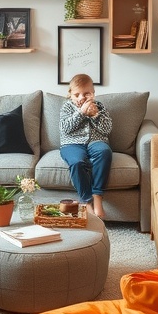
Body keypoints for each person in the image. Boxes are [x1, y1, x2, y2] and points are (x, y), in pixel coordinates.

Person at [59, 73, 113, 218]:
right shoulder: (67, 108)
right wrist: (81, 112)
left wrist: (96, 116)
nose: (81, 98)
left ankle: (97, 197)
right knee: (77, 162)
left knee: (104, 152)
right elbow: (65, 128)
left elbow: (107, 130)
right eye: (77, 95)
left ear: (93, 93)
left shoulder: (99, 106)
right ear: (70, 94)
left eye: (86, 94)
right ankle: (87, 201)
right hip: (71, 144)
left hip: (96, 141)